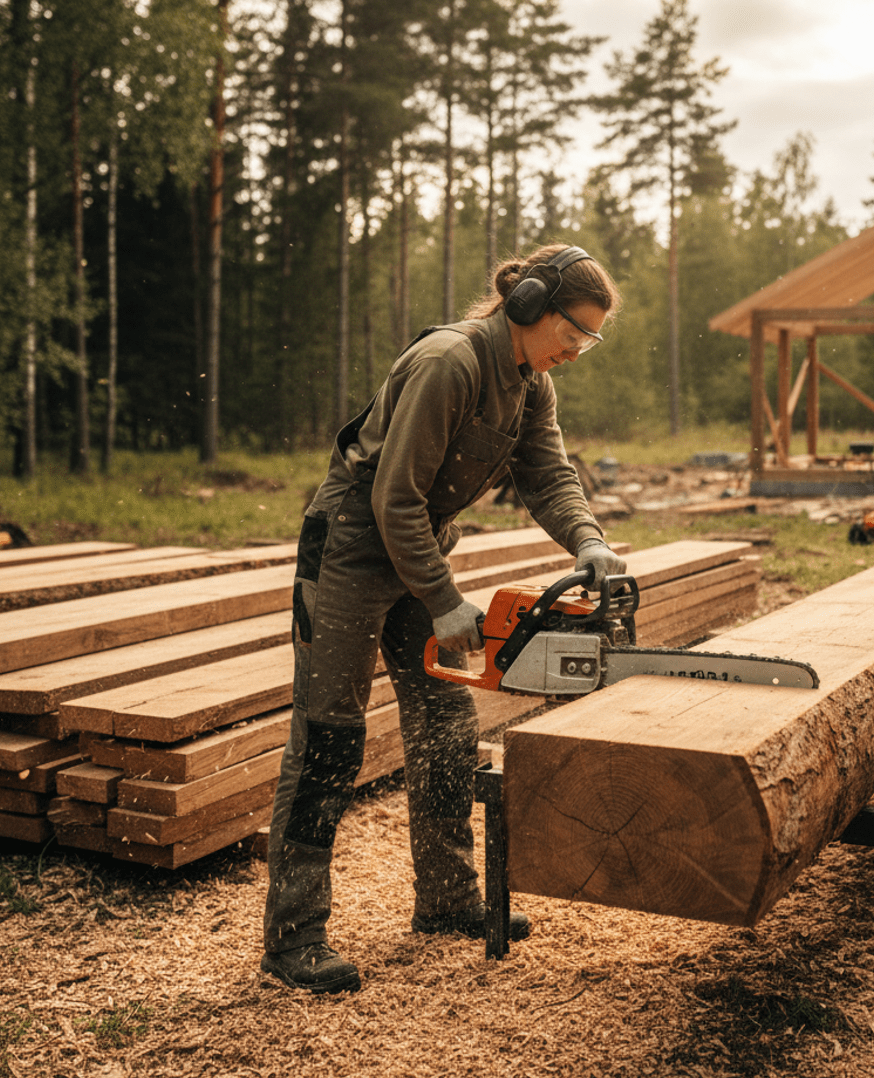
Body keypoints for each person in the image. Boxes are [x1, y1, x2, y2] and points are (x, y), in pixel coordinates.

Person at [261, 244, 627, 994]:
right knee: (330, 736)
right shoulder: (450, 362)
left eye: (592, 340)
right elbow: (393, 496)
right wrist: (442, 598)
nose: (579, 350)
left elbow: (548, 474)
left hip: (416, 548)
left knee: (446, 722)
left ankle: (448, 898)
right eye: (575, 332)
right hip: (353, 550)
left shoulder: (531, 384)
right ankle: (293, 938)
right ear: (529, 305)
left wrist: (589, 540)